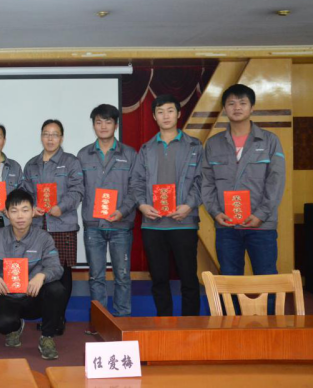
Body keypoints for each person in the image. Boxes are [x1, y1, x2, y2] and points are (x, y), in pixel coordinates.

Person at [202, 84, 285, 279]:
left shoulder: (269, 141)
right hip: (226, 226)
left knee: (266, 279)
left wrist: (261, 214)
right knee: (229, 280)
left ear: (252, 107)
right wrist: (215, 212)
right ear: (224, 108)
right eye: (231, 103)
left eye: (242, 103)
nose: (237, 107)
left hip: (261, 226)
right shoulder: (213, 144)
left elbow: (276, 181)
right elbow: (207, 182)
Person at [131, 94, 203, 317]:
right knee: (159, 279)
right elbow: (136, 182)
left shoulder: (194, 146)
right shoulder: (146, 149)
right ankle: (164, 324)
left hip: (184, 222)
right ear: (154, 117)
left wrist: (189, 205)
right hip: (153, 225)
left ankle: (190, 324)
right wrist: (142, 205)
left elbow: (202, 180)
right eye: (160, 112)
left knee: (188, 278)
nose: (166, 116)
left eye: (170, 111)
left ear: (179, 114)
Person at [0, 189, 66, 360]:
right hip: (8, 297)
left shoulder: (43, 238)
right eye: (14, 211)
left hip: (34, 297)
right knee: (2, 324)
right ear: (7, 213)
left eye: (25, 210)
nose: (20, 216)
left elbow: (56, 267)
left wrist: (41, 276)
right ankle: (15, 327)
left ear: (32, 212)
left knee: (57, 290)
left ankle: (47, 337)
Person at [23, 119, 84, 335]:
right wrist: (31, 208)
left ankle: (59, 318)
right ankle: (49, 316)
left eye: (55, 134)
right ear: (41, 136)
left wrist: (61, 207)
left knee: (63, 272)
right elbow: (25, 192)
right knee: (40, 271)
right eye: (46, 134)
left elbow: (77, 190)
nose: (50, 138)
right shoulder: (31, 164)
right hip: (38, 227)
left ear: (62, 138)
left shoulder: (71, 162)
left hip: (62, 225)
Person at [78, 104, 137, 320]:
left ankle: (122, 320)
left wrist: (122, 211)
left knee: (122, 275)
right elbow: (78, 188)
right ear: (93, 125)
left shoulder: (129, 154)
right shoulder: (83, 154)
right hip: (93, 225)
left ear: (116, 125)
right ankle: (100, 320)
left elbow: (136, 188)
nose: (103, 126)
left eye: (108, 122)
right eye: (98, 122)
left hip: (121, 225)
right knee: (96, 276)